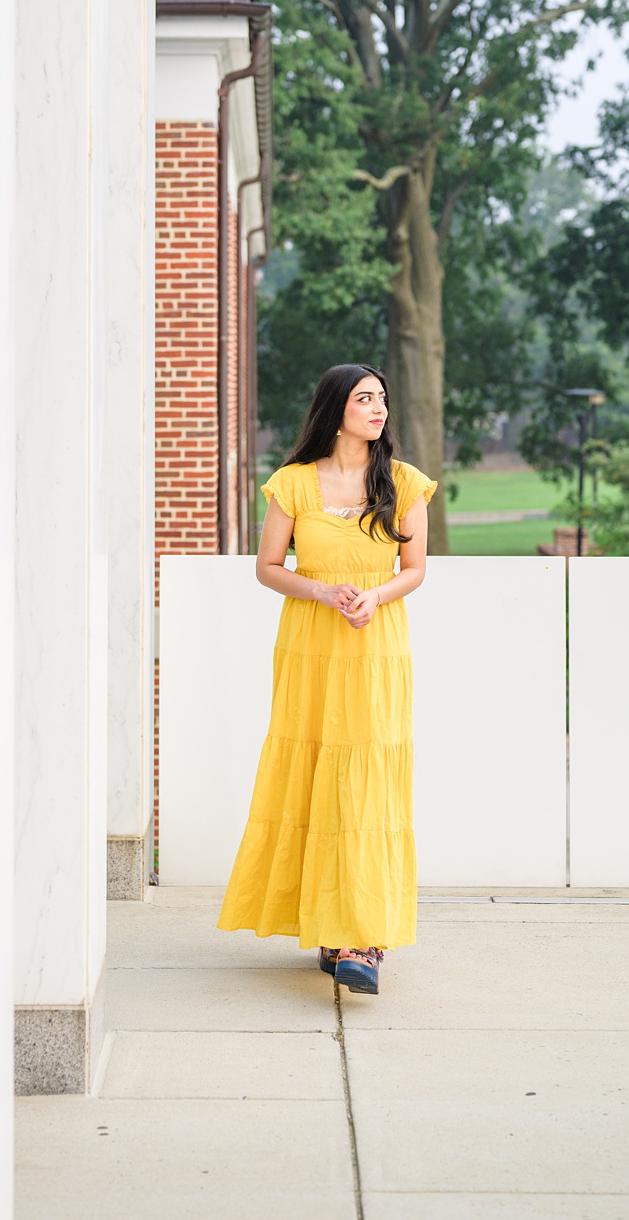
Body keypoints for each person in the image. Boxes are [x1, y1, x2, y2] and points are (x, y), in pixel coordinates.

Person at [217, 363, 432, 996]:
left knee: (366, 783)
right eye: (366, 399)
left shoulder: (404, 483)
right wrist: (319, 590)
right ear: (336, 407)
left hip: (375, 646)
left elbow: (415, 569)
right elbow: (267, 567)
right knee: (314, 774)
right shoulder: (292, 484)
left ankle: (363, 936)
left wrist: (377, 596)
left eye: (384, 400)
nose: (379, 409)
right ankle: (328, 925)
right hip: (310, 644)